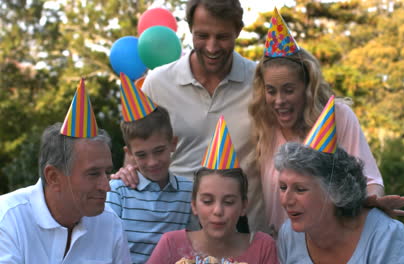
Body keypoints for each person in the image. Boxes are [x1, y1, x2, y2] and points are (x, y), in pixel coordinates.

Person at [112, 0, 267, 233]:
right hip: (173, 237)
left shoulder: (261, 82)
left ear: (238, 30)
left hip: (246, 238)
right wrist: (128, 171)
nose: (212, 47)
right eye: (202, 35)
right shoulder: (158, 83)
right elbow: (137, 151)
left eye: (222, 36)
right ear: (189, 29)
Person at [249, 13, 404, 233]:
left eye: (289, 90)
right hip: (281, 248)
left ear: (306, 87)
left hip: (333, 241)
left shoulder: (338, 116)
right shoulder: (263, 124)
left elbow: (370, 180)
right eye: (271, 91)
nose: (279, 101)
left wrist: (373, 204)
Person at [0, 123, 131, 263]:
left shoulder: (110, 223)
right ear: (53, 177)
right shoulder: (8, 218)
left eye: (107, 172)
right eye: (93, 174)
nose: (106, 186)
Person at [275, 142, 404, 263]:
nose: (286, 200)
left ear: (335, 192)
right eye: (283, 187)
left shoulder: (385, 237)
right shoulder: (288, 236)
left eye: (300, 189)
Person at [106, 106, 194, 263]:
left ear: (173, 143)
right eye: (141, 155)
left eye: (159, 151)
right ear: (130, 153)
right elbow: (104, 245)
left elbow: (195, 242)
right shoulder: (118, 191)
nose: (152, 162)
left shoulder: (189, 192)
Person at [146, 168, 279, 263]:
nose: (218, 211)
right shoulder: (172, 244)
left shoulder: (262, 246)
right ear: (194, 205)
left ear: (244, 206)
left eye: (228, 202)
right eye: (207, 201)